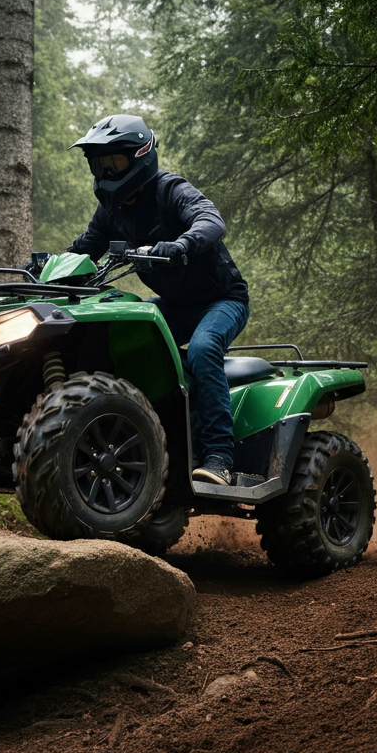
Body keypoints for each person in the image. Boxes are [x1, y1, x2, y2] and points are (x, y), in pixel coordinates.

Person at [67, 113, 249, 486]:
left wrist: (183, 244)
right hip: (174, 306)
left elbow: (210, 220)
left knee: (202, 349)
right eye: (98, 162)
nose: (104, 170)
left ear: (140, 155)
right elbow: (83, 251)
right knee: (120, 332)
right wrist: (45, 272)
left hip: (222, 300)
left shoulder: (170, 190)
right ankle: (140, 443)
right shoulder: (111, 211)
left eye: (113, 161)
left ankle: (220, 458)